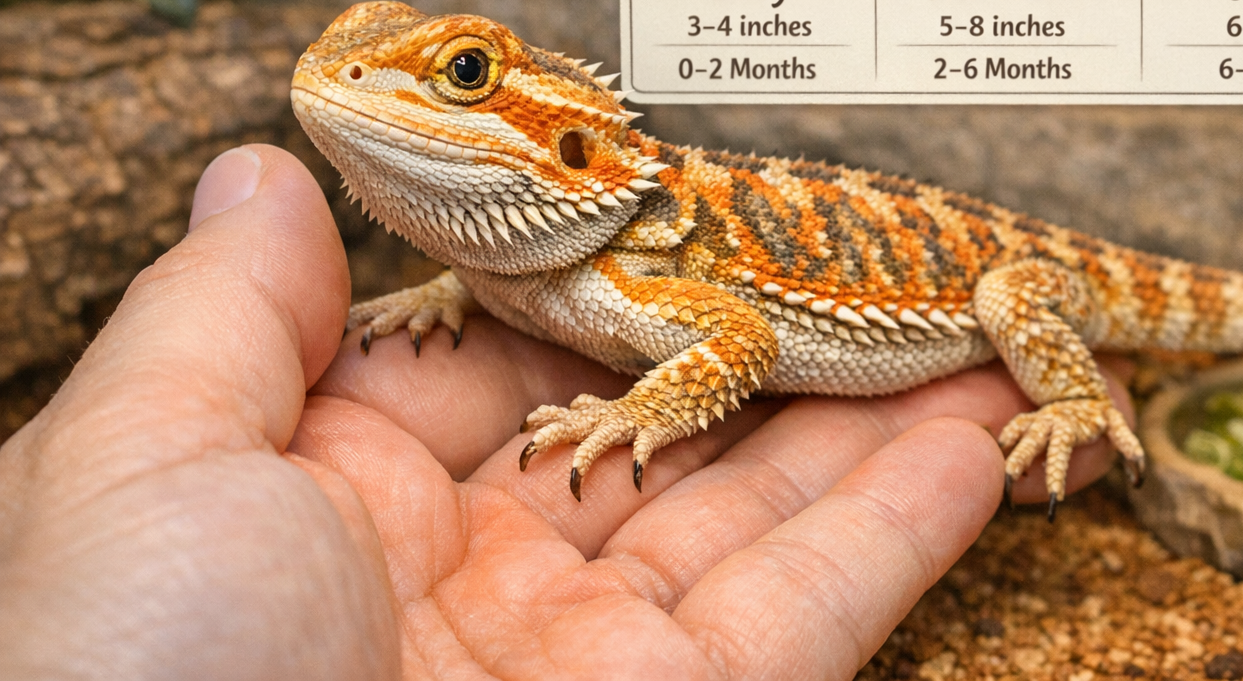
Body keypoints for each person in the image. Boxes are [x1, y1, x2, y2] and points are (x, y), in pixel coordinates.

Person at [0, 145, 1130, 679]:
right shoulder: (530, 263)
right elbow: (515, 269)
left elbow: (741, 340)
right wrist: (454, 285)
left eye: (462, 77)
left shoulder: (630, 256)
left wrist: (638, 413)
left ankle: (1083, 389)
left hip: (1002, 277)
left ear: (570, 149)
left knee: (1008, 299)